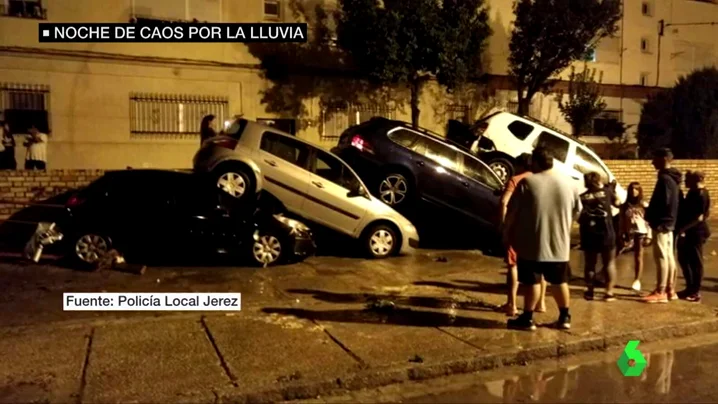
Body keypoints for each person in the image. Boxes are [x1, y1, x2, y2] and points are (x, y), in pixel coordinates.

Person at [504, 147, 582, 331]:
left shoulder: (528, 183)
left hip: (532, 243)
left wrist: (507, 233)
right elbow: (577, 212)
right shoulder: (570, 184)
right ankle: (564, 317)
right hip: (559, 244)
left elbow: (512, 213)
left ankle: (527, 318)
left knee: (532, 281)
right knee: (559, 281)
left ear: (536, 162)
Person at [499, 153, 547, 316]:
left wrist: (504, 224)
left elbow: (504, 201)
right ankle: (541, 303)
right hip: (537, 229)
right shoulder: (540, 180)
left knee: (513, 265)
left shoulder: (516, 180)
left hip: (518, 229)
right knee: (539, 267)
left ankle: (511, 304)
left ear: (521, 164)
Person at [644, 148, 682, 303]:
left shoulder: (665, 179)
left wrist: (652, 215)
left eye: (655, 158)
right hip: (670, 222)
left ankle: (661, 291)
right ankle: (670, 289)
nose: (652, 162)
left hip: (661, 223)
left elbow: (664, 202)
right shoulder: (673, 179)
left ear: (664, 159)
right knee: (668, 255)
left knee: (661, 256)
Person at [579, 172, 621, 301]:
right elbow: (618, 203)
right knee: (609, 263)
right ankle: (609, 292)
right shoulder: (607, 192)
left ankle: (589, 291)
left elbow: (578, 215)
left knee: (590, 264)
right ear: (598, 180)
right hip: (606, 232)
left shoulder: (582, 196)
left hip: (589, 233)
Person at [676, 171, 711, 302]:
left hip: (697, 232)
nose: (685, 182)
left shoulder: (701, 194)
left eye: (687, 180)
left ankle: (695, 291)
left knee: (696, 261)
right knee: (684, 259)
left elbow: (699, 217)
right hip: (689, 232)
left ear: (695, 180)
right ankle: (689, 288)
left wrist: (683, 229)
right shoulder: (692, 192)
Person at [619, 182, 651, 292]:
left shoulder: (643, 204)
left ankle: (637, 280)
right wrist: (622, 232)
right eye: (632, 189)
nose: (634, 191)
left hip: (640, 231)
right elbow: (622, 220)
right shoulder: (625, 205)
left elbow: (649, 220)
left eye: (636, 189)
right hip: (628, 232)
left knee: (638, 255)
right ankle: (603, 274)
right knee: (617, 251)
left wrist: (649, 235)